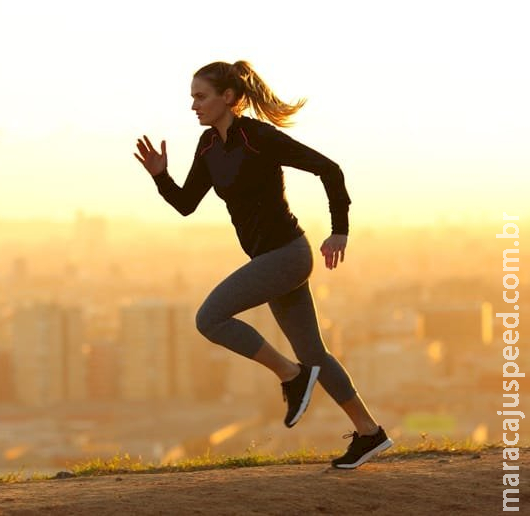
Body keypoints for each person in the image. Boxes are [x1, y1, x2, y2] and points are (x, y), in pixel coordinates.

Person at [133, 60, 392, 469]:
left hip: (287, 255)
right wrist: (161, 177)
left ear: (229, 97)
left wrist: (339, 229)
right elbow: (186, 205)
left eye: (201, 96)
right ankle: (369, 432)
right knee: (315, 352)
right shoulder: (207, 146)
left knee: (210, 318)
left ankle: (291, 376)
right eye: (192, 98)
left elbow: (329, 169)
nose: (194, 106)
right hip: (271, 259)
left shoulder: (259, 137)